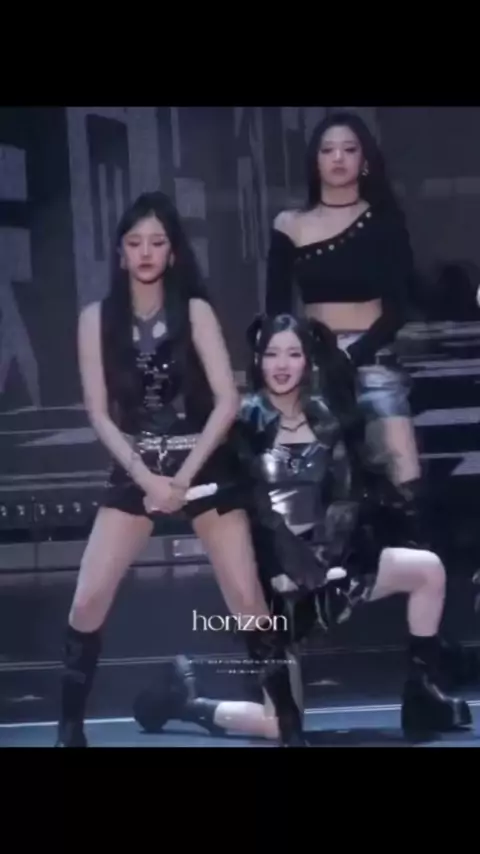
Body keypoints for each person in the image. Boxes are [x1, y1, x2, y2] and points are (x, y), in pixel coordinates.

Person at [132, 314, 474, 743]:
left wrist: (329, 556)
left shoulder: (328, 418)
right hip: (270, 578)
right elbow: (246, 509)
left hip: (325, 565)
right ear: (258, 360)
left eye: (293, 354)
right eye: (272, 354)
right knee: (279, 724)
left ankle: (422, 695)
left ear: (307, 360)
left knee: (427, 569)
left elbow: (346, 499)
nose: (282, 364)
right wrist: (287, 565)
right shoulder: (240, 422)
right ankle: (187, 702)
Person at [55, 192, 304, 748]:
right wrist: (148, 481)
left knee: (247, 600)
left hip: (203, 464)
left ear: (172, 252)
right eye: (135, 242)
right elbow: (98, 412)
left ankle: (290, 729)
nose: (145, 252)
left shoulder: (194, 312)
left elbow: (226, 400)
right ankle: (69, 730)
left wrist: (183, 479)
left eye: (157, 242)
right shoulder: (95, 319)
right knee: (88, 598)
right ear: (120, 252)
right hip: (137, 469)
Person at [264, 111, 425, 544]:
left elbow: (398, 309)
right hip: (311, 366)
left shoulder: (383, 221)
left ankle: (403, 572)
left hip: (373, 362)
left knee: (403, 482)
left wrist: (354, 355)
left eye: (349, 150)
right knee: (307, 492)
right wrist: (293, 363)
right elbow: (276, 311)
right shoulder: (290, 225)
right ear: (314, 160)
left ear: (365, 160)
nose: (338, 158)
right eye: (328, 150)